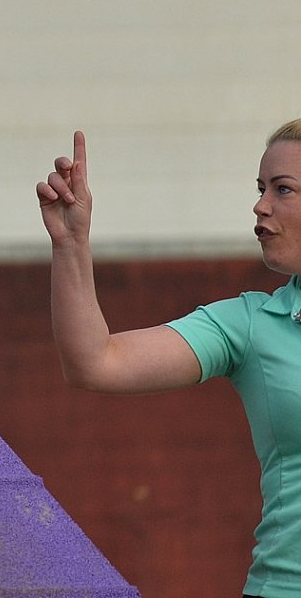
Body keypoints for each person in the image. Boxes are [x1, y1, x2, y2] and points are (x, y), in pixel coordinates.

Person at [37, 121, 301, 598]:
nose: (260, 206)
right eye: (261, 189)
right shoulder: (249, 323)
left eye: (283, 189)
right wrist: (70, 244)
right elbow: (94, 362)